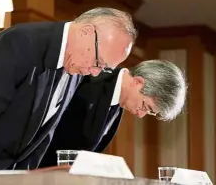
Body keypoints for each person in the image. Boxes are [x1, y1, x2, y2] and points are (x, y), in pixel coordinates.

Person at [0, 7, 137, 172]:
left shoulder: (76, 69)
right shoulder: (19, 43)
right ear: (86, 32)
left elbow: (40, 139)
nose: (94, 72)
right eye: (98, 62)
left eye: (103, 68)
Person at [39, 60, 188, 168]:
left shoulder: (119, 102)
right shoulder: (88, 79)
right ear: (138, 82)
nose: (141, 115)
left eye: (149, 112)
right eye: (145, 106)